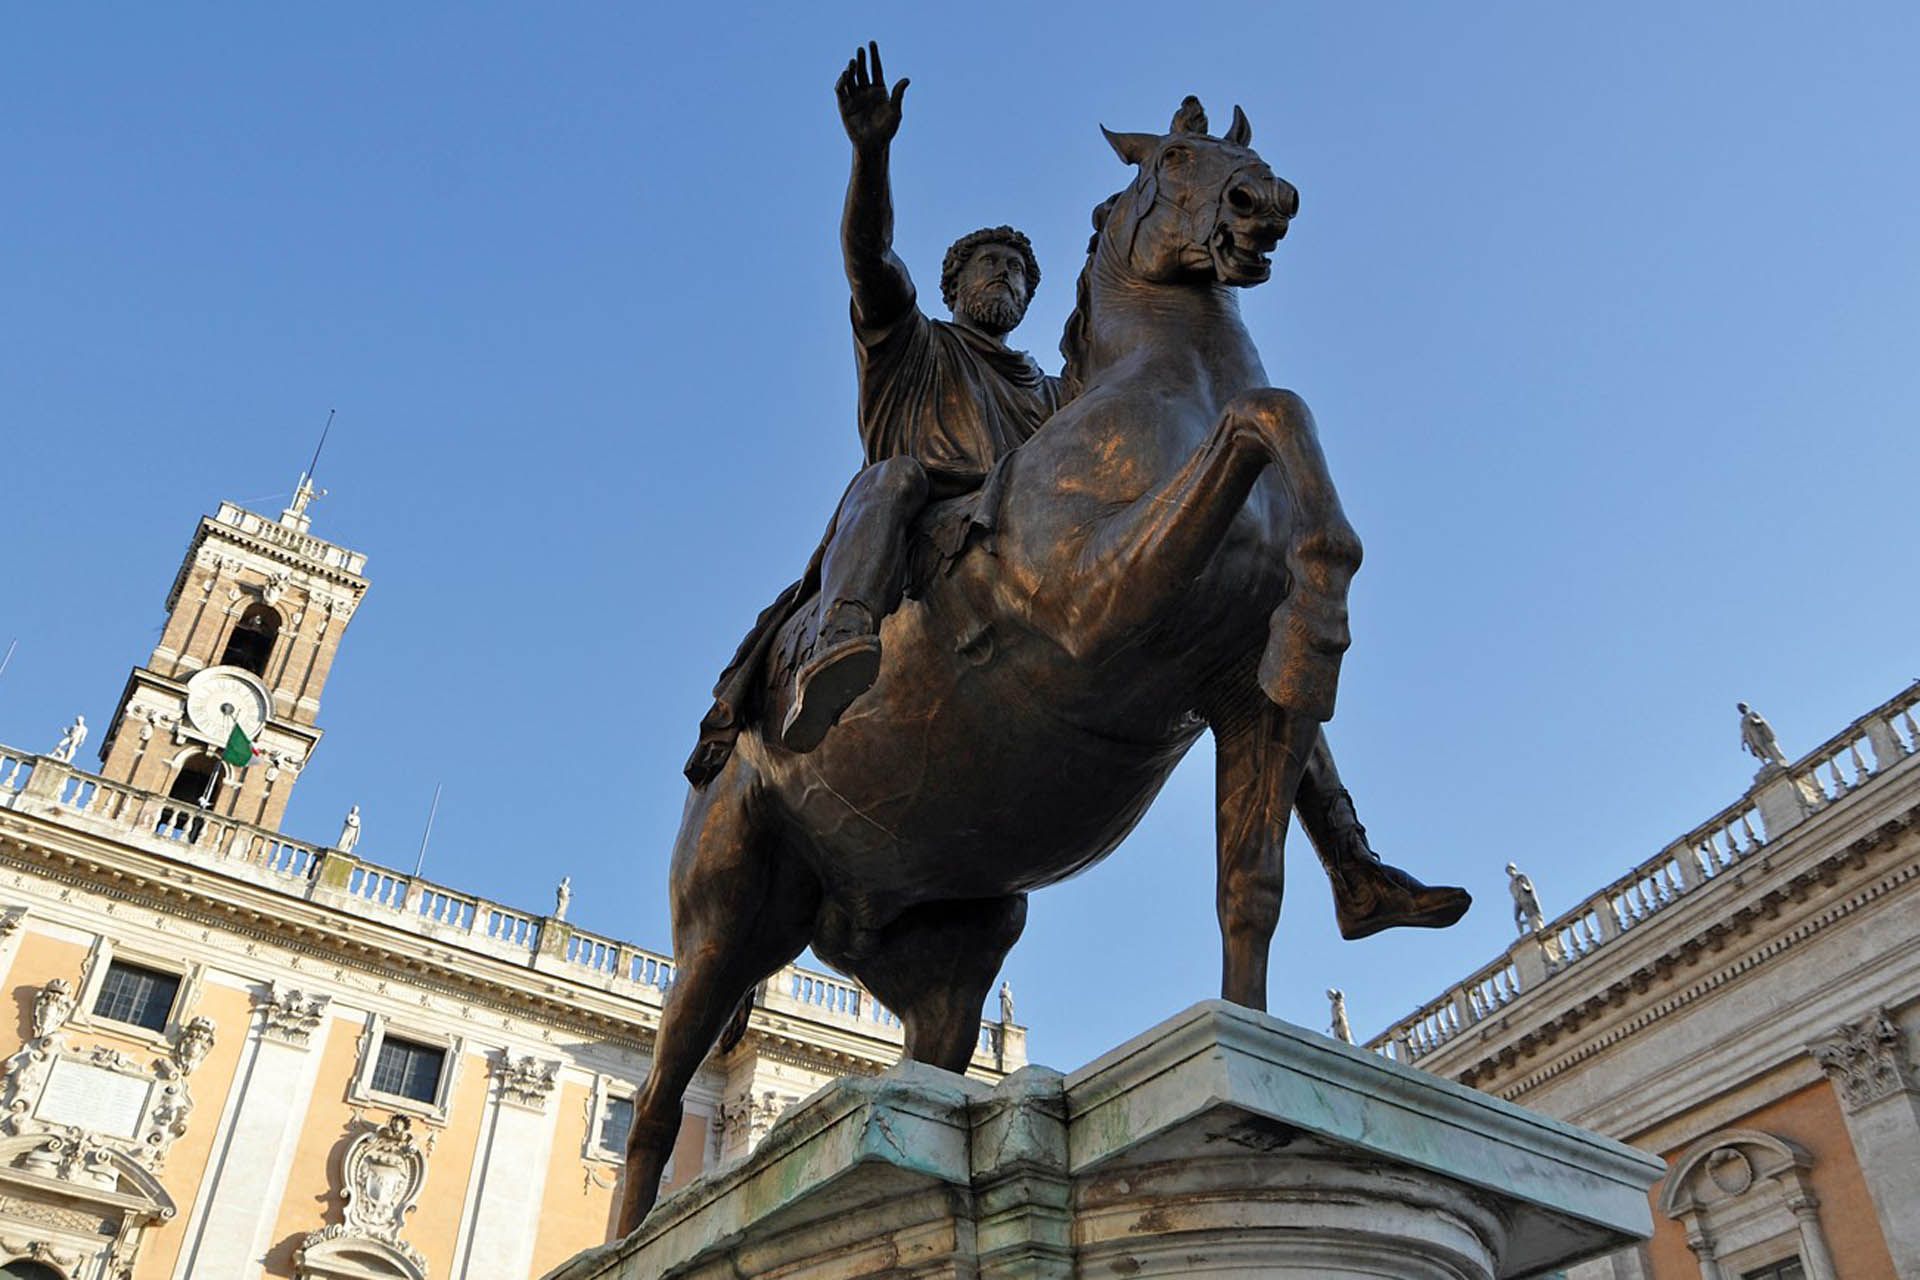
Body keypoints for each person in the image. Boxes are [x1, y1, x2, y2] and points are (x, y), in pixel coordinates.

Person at [686, 42, 1467, 942]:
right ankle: (843, 635)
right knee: (889, 479)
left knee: (1247, 631)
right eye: (988, 267)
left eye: (1018, 272)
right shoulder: (910, 344)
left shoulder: (1060, 400)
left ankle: (1351, 864)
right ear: (952, 286)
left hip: (1037, 538)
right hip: (932, 525)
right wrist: (871, 153)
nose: (1005, 280)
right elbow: (869, 254)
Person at [1738, 702, 1790, 771]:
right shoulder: (1742, 721)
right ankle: (1772, 761)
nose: (1741, 710)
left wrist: (1756, 721)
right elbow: (1744, 732)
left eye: (1741, 708)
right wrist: (1742, 743)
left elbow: (1762, 720)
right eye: (1739, 709)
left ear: (1745, 707)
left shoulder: (1753, 713)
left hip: (1762, 734)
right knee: (1762, 750)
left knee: (1771, 747)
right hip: (1753, 738)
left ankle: (1780, 761)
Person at [1507, 862, 1545, 935]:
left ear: (1514, 869)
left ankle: (1537, 927)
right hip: (1519, 900)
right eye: (1508, 871)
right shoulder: (1510, 885)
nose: (1510, 872)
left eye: (1510, 869)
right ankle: (1522, 932)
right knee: (1517, 917)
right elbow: (1514, 895)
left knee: (1532, 912)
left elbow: (1529, 886)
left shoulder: (1521, 876)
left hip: (1527, 897)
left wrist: (1525, 887)